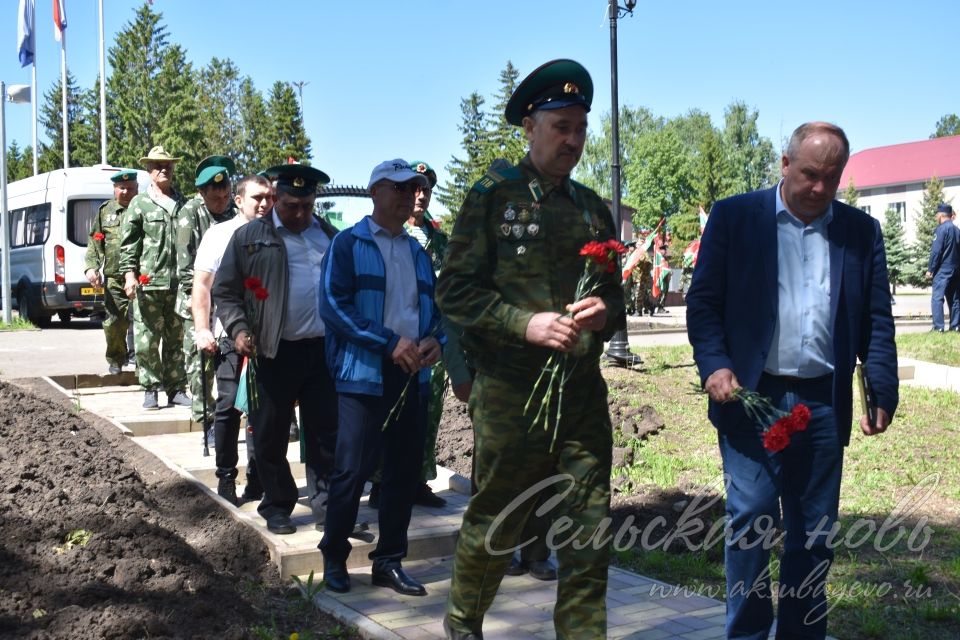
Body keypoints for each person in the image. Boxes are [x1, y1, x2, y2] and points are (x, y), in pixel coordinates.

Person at [686, 121, 899, 639]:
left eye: (832, 178)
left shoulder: (859, 232)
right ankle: (749, 634)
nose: (819, 189)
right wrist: (715, 364)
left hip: (822, 403)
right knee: (751, 520)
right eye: (809, 174)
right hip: (751, 397)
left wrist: (882, 388)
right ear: (785, 165)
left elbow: (875, 320)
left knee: (814, 535)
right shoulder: (737, 218)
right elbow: (704, 303)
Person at [436, 59, 624, 640]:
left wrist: (604, 313)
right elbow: (454, 291)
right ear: (531, 127)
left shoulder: (593, 208)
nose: (572, 139)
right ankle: (464, 623)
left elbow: (614, 293)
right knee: (500, 519)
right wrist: (525, 324)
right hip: (512, 395)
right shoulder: (493, 197)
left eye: (580, 128)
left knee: (590, 531)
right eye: (560, 126)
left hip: (581, 396)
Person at [318, 159, 442, 597]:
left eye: (414, 188)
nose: (409, 195)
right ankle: (334, 556)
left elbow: (435, 312)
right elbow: (333, 305)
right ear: (374, 192)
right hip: (364, 374)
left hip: (411, 376)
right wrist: (388, 342)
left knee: (403, 473)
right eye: (399, 187)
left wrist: (436, 342)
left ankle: (388, 560)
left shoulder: (417, 252)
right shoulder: (349, 244)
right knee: (350, 471)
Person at [213, 163, 339, 535]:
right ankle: (278, 503)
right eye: (290, 206)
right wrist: (237, 329)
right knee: (270, 432)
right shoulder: (251, 237)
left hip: (322, 351)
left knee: (324, 434)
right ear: (275, 199)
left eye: (306, 205)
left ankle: (327, 505)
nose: (299, 214)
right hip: (273, 350)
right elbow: (225, 289)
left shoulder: (330, 236)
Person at [368, 160, 448, 510]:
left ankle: (418, 479)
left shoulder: (440, 241)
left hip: (430, 344)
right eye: (414, 189)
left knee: (427, 415)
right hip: (393, 342)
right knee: (385, 416)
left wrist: (442, 338)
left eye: (426, 190)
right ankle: (379, 481)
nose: (421, 196)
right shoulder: (389, 233)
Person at [193, 174, 273, 505]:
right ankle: (227, 477)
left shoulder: (278, 234)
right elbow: (203, 286)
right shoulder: (220, 234)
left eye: (269, 197)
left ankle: (259, 479)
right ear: (239, 201)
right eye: (258, 198)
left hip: (269, 338)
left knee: (264, 410)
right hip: (229, 337)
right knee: (228, 407)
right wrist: (202, 328)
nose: (265, 204)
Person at [119, 146, 190, 410]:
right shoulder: (140, 203)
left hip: (178, 283)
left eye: (168, 165)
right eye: (158, 165)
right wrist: (129, 275)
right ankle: (150, 388)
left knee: (176, 339)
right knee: (147, 339)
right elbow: (128, 245)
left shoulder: (183, 203)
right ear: (149, 171)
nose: (164, 169)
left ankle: (176, 388)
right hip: (149, 281)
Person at [176, 156, 238, 439]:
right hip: (197, 296)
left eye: (225, 195)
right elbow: (187, 268)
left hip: (228, 299)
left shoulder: (234, 213)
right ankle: (206, 420)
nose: (222, 201)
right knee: (199, 360)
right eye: (216, 197)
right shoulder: (190, 214)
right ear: (202, 194)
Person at [84, 170, 139, 375]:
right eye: (121, 188)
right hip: (114, 279)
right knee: (115, 321)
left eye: (130, 188)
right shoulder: (105, 212)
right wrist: (92, 267)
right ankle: (116, 358)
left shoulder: (143, 208)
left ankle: (140, 362)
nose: (126, 192)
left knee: (141, 322)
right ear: (114, 189)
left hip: (141, 277)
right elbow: (96, 239)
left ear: (137, 189)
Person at [925, 203, 960, 332]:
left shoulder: (941, 229)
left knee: (937, 298)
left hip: (943, 269)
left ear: (940, 215)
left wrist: (930, 269)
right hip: (956, 269)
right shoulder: (957, 230)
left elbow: (936, 251)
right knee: (955, 298)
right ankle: (956, 326)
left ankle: (938, 327)